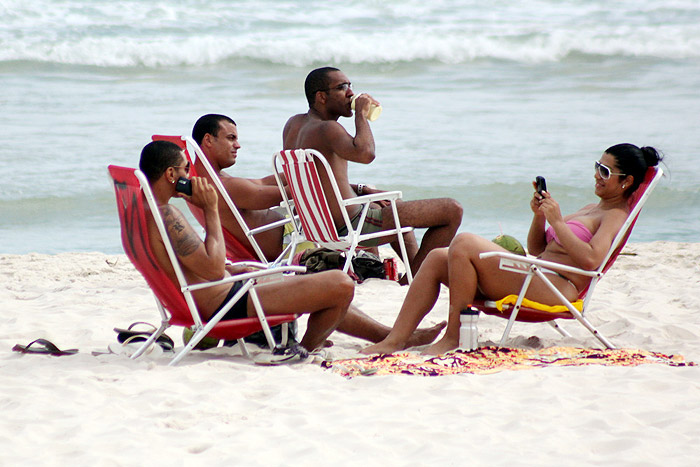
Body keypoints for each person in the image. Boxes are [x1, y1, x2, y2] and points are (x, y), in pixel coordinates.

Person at [139, 140, 445, 351]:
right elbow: (214, 267)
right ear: (170, 175)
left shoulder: (147, 210)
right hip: (224, 305)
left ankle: (394, 335)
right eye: (183, 171)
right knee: (339, 282)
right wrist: (210, 210)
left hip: (220, 295)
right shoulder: (167, 214)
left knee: (314, 282)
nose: (189, 176)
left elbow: (203, 267)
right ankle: (305, 348)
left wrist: (238, 267)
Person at [362, 144, 663, 355]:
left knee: (464, 241)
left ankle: (455, 336)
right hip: (538, 275)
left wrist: (557, 221)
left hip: (557, 286)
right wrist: (540, 216)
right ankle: (396, 339)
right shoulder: (590, 208)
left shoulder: (614, 216)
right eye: (598, 166)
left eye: (606, 172)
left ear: (627, 182)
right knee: (438, 257)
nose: (597, 174)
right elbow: (537, 247)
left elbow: (591, 260)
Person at [282, 66, 463, 276]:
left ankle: (413, 276)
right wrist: (361, 114)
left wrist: (362, 189)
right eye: (342, 88)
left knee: (391, 205)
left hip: (319, 225)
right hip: (352, 226)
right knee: (452, 210)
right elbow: (366, 154)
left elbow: (313, 181)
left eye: (350, 86)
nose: (351, 93)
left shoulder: (293, 125)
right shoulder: (328, 129)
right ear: (321, 97)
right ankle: (416, 278)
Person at [192, 114, 288, 262]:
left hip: (275, 243)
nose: (238, 145)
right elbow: (286, 194)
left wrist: (295, 174)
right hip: (291, 244)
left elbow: (261, 183)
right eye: (231, 138)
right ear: (208, 140)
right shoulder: (224, 187)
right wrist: (320, 176)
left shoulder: (202, 182)